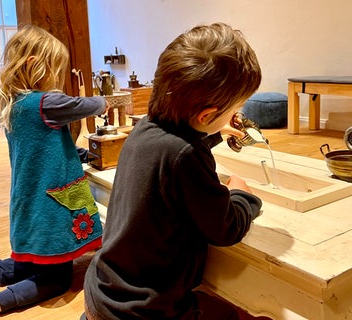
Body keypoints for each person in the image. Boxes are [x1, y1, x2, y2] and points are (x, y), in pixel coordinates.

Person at [82, 22, 264, 320]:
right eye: (233, 111)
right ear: (206, 115)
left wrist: (216, 132)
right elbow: (225, 228)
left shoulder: (144, 128)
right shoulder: (187, 156)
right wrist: (243, 196)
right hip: (144, 311)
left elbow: (174, 147)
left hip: (103, 293)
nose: (235, 117)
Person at [0, 25, 108, 320]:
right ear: (34, 65)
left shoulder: (14, 104)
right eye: (55, 69)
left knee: (35, 261)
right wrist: (105, 101)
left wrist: (79, 154)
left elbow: (41, 149)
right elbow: (85, 105)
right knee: (56, 279)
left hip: (28, 201)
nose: (57, 78)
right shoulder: (44, 102)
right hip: (52, 205)